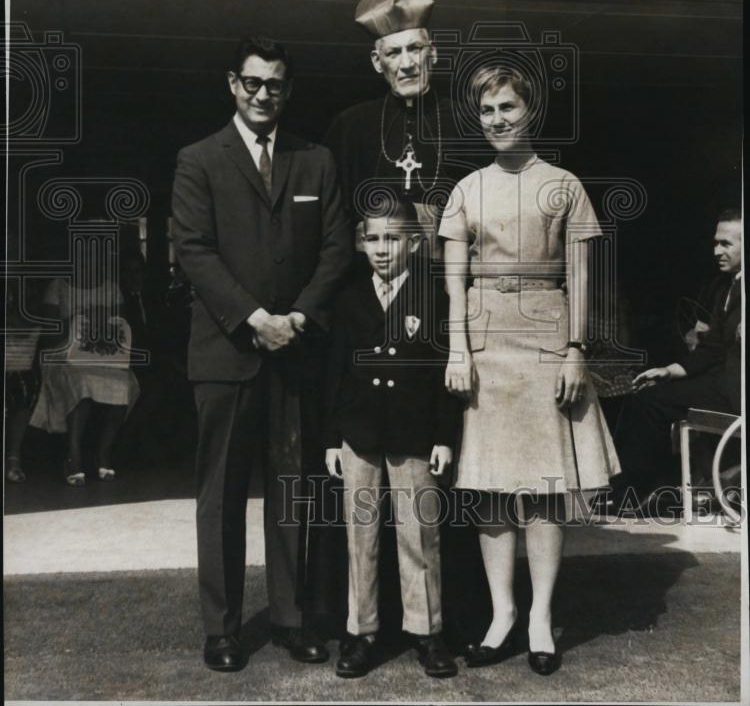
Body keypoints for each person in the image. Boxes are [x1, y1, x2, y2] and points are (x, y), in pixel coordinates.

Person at [171, 36, 351, 673]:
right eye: (252, 82)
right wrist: (254, 319)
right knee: (220, 495)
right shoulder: (198, 160)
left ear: (288, 90)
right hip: (226, 354)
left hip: (296, 351)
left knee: (292, 489)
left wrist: (297, 318)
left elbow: (336, 249)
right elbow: (193, 250)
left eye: (274, 84)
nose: (262, 94)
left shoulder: (317, 160)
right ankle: (220, 629)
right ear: (232, 84)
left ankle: (292, 618)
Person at [439, 65, 619, 676]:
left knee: (543, 487)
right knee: (490, 486)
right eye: (488, 110)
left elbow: (582, 276)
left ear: (531, 110)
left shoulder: (564, 185)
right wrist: (459, 349)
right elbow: (454, 278)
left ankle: (541, 616)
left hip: (546, 338)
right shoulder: (466, 188)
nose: (498, 120)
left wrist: (576, 349)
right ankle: (501, 615)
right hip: (487, 343)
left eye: (508, 107)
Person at [324, 197, 458, 679]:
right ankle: (361, 632)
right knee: (361, 535)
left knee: (419, 534)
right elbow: (334, 373)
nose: (382, 249)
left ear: (415, 243)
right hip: (358, 434)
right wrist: (330, 439)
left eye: (393, 238)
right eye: (373, 239)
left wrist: (444, 436)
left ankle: (427, 631)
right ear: (362, 244)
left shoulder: (433, 296)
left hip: (415, 433)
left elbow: (445, 371)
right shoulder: (348, 298)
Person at [612, 208, 742, 507]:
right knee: (649, 393)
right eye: (715, 243)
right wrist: (668, 371)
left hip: (736, 394)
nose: (716, 251)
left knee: (650, 403)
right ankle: (637, 490)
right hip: (723, 384)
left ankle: (640, 491)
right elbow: (712, 349)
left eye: (726, 244)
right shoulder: (729, 286)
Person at [325, 0, 466, 251]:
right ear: (378, 62)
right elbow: (334, 218)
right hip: (368, 276)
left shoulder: (466, 122)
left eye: (415, 49)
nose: (407, 64)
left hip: (442, 272)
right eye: (393, 53)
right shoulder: (349, 126)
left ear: (432, 54)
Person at [29, 269, 138, 484]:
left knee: (125, 383)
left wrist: (104, 320)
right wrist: (79, 318)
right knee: (81, 384)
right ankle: (74, 456)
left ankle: (103, 454)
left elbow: (121, 328)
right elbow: (50, 333)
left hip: (100, 355)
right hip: (63, 353)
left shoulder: (110, 287)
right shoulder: (58, 285)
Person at [4, 281, 43, 483]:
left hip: (21, 369)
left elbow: (23, 329)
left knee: (24, 388)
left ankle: (13, 460)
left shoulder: (35, 307)